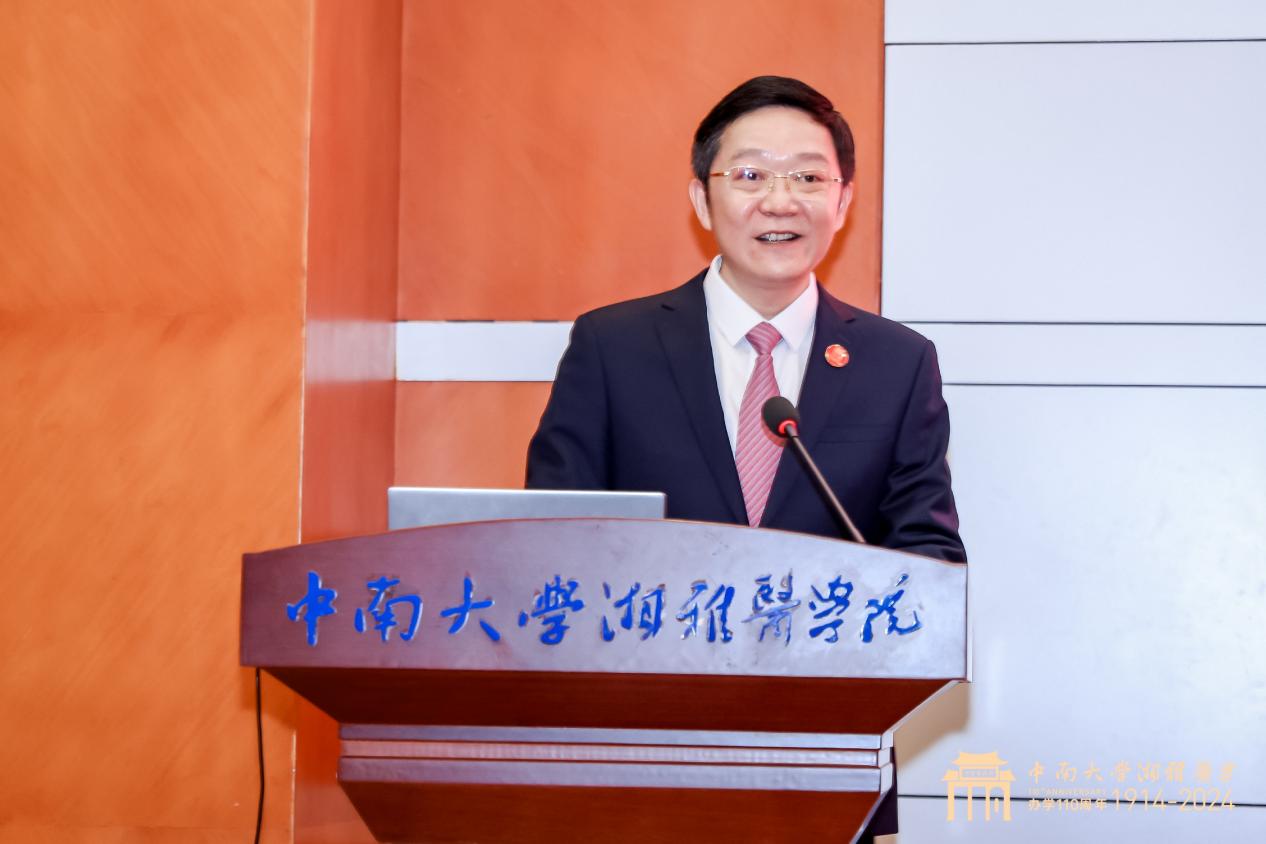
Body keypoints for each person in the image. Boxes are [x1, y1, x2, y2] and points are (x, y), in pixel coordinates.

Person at [526, 75, 966, 841]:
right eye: (751, 174)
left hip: (827, 758)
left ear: (843, 201)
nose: (780, 200)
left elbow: (927, 558)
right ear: (702, 199)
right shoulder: (613, 347)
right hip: (637, 755)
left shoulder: (897, 363)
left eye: (808, 178)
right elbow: (549, 548)